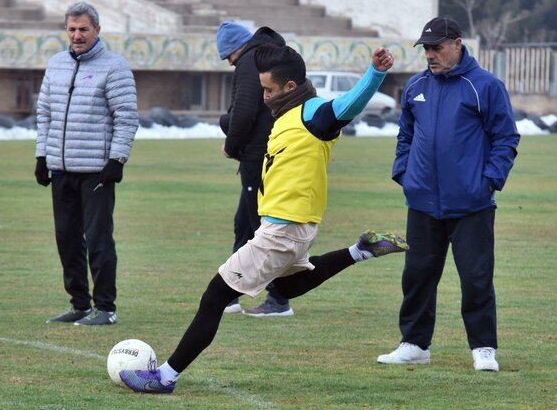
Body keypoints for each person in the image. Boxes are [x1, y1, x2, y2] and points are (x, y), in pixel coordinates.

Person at [119, 43, 406, 393]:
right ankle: (360, 250)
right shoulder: (287, 117)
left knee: (214, 297)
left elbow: (348, 105)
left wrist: (375, 72)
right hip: (290, 227)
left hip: (284, 229)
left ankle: (165, 376)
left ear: (289, 87)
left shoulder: (312, 113)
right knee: (285, 286)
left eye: (269, 89)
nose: (265, 96)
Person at [377, 17, 520, 371]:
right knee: (417, 276)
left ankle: (483, 348)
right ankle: (414, 344)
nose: (430, 54)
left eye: (437, 47)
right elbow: (406, 136)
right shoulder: (415, 87)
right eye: (426, 48)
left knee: (475, 278)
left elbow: (506, 138)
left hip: (472, 203)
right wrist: (403, 173)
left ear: (457, 43)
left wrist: (487, 181)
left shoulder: (485, 86)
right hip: (423, 201)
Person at [35, 1, 139, 326]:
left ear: (97, 30)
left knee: (98, 240)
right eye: (72, 29)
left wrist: (117, 159)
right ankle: (79, 304)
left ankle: (105, 308)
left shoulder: (114, 66)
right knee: (66, 238)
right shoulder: (55, 64)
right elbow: (44, 114)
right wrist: (42, 155)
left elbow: (127, 118)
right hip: (61, 169)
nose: (77, 35)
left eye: (83, 29)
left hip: (97, 171)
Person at [216, 21, 294, 317]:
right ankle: (231, 293)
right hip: (271, 150)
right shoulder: (272, 55)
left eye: (228, 58)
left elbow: (244, 111)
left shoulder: (250, 61)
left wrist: (230, 143)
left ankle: (279, 299)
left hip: (259, 155)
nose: (230, 64)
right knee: (245, 225)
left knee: (263, 229)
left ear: (236, 50)